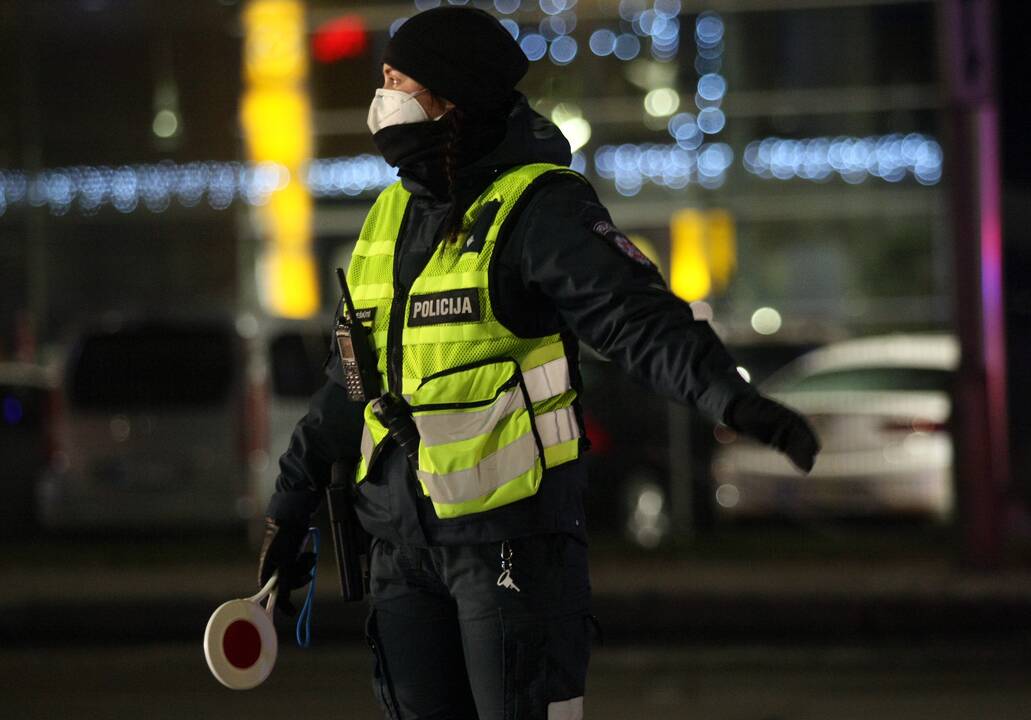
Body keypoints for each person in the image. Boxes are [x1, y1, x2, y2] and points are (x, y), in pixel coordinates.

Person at [257, 7, 819, 720]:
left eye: (399, 79)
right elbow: (353, 380)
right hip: (400, 550)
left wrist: (728, 397)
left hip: (510, 550)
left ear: (451, 97)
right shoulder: (388, 215)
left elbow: (633, 317)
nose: (382, 94)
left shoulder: (538, 207)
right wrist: (291, 501)